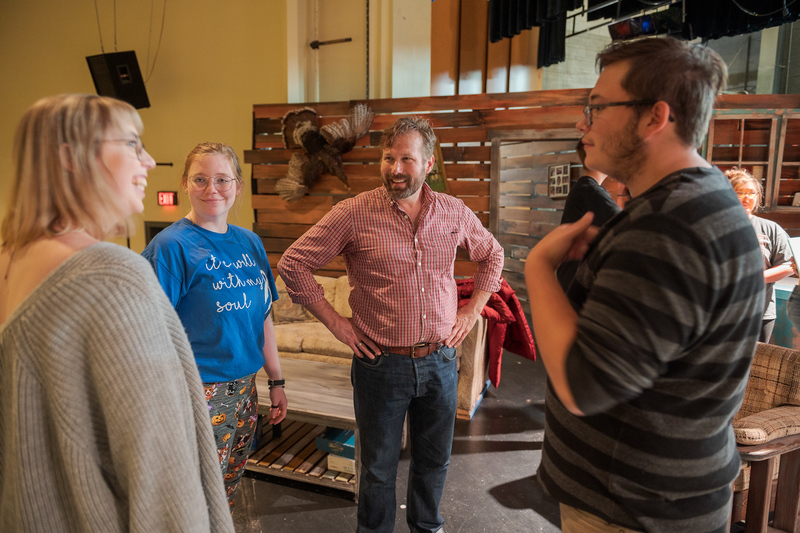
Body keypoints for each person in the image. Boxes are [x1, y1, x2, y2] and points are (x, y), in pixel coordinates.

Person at [524, 38, 765, 533]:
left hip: (631, 509)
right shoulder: (698, 200)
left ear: (655, 117)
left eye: (596, 107)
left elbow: (581, 386)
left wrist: (538, 270)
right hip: (653, 498)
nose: (581, 123)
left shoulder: (666, 226)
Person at [0, 94, 234, 532]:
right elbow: (162, 472)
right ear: (71, 156)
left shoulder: (9, 260)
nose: (147, 160)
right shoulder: (114, 275)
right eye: (130, 143)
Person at [278, 116, 504, 533]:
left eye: (407, 159)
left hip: (440, 361)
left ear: (428, 163)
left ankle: (426, 528)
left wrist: (471, 311)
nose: (396, 169)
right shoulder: (353, 213)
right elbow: (294, 264)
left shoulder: (453, 212)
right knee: (378, 471)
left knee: (434, 462)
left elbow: (493, 255)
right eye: (388, 158)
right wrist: (338, 325)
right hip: (381, 365)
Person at [142, 142, 287, 511]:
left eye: (222, 179)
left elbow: (263, 317)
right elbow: (149, 330)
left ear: (237, 185)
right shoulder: (171, 246)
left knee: (225, 491)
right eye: (201, 179)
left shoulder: (249, 242)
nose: (212, 189)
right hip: (198, 391)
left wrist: (276, 380)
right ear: (185, 185)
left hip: (245, 390)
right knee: (193, 495)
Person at [726, 167, 793, 342]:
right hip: (722, 312)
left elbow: (790, 265)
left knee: (758, 366)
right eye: (740, 192)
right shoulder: (714, 226)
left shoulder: (770, 228)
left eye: (751, 193)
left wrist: (754, 278)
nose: (746, 197)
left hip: (760, 313)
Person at [556, 140, 621, 291]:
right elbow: (626, 225)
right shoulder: (590, 190)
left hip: (569, 280)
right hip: (575, 283)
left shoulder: (584, 188)